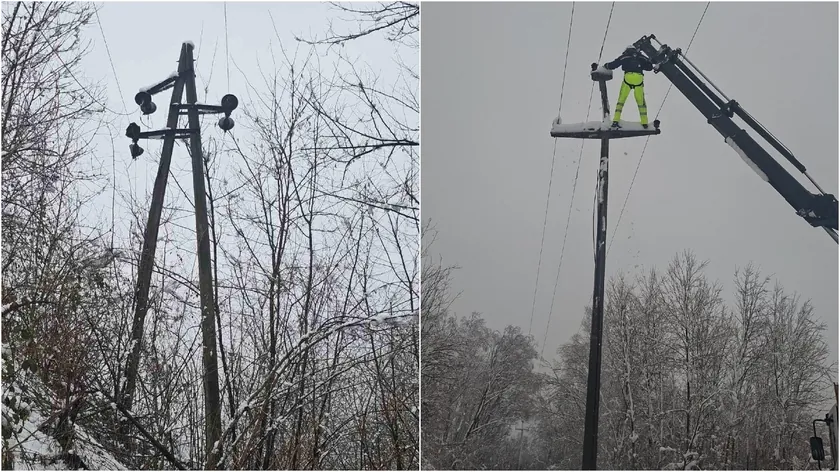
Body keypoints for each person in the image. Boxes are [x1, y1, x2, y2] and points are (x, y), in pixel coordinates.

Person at [603, 46, 654, 128]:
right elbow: (649, 67)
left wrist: (606, 66)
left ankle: (616, 121)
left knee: (621, 100)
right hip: (639, 79)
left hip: (628, 79)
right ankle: (644, 122)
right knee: (641, 102)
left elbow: (614, 64)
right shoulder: (641, 57)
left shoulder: (625, 56)